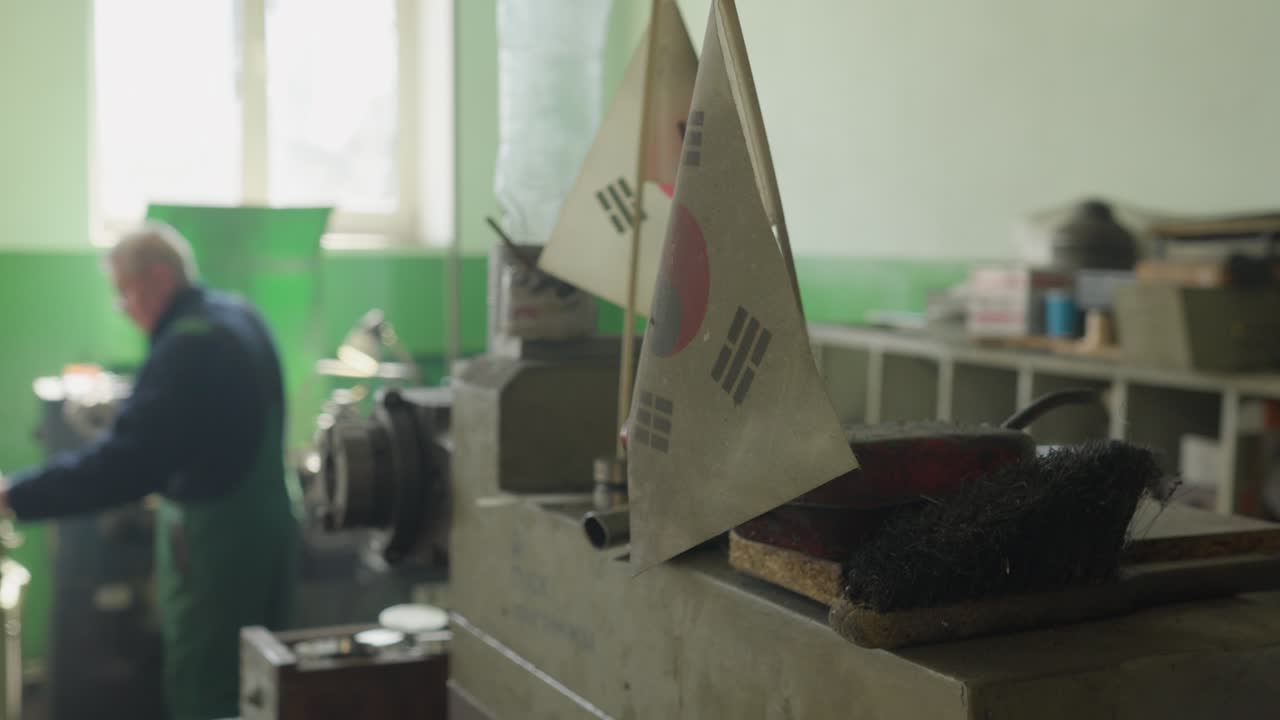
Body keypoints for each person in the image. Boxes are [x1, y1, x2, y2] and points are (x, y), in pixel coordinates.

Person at [0, 222, 298, 720]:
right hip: (269, 524)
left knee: (212, 685)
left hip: (215, 547)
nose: (125, 308)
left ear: (158, 277)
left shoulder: (189, 345)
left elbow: (124, 465)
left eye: (125, 293)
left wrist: (18, 494)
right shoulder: (239, 314)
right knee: (266, 681)